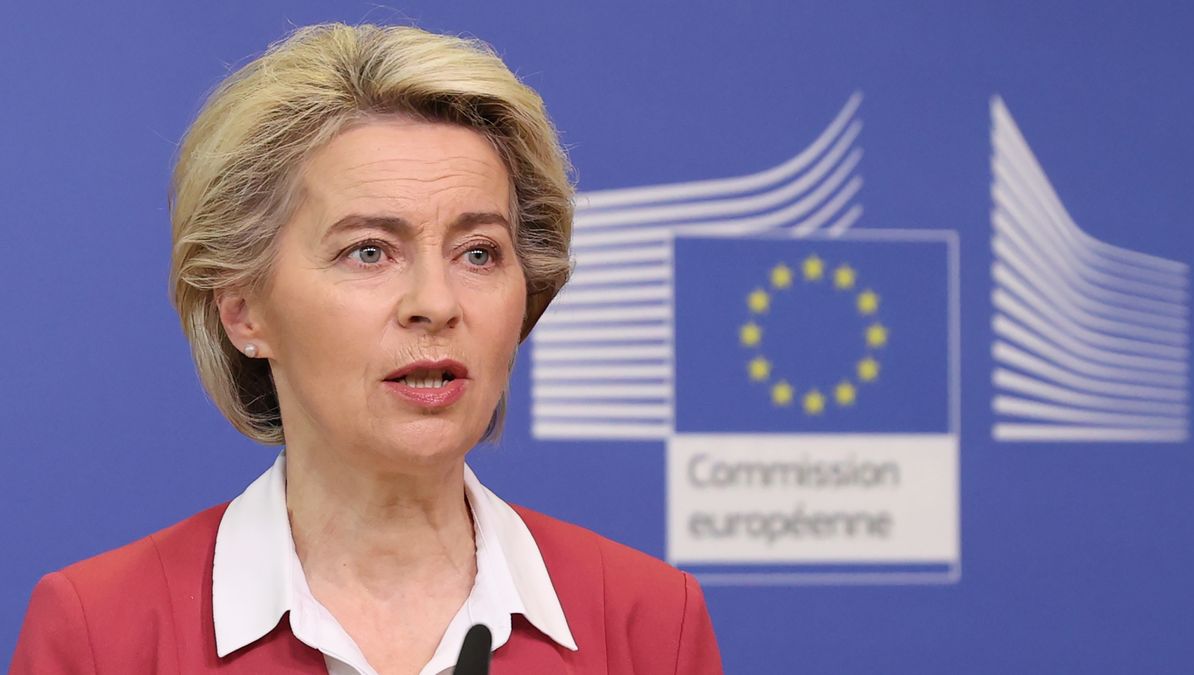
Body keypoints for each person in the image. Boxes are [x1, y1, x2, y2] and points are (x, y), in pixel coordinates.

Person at [10, 22, 722, 675]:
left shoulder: (649, 622)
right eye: (369, 251)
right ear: (243, 310)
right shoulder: (102, 631)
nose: (436, 303)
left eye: (479, 253)